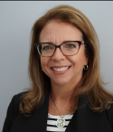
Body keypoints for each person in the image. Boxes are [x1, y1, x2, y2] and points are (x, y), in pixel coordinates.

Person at [2, 5, 113, 132]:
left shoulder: (110, 111)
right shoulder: (18, 105)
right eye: (48, 47)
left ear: (87, 56)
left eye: (70, 45)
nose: (57, 57)